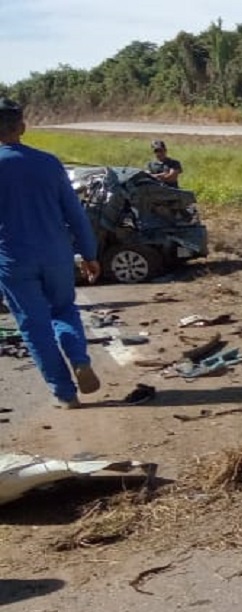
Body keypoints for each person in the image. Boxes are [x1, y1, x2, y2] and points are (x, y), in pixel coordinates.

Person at [0, 97, 103, 408]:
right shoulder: (49, 163)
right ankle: (79, 358)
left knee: (33, 326)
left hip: (13, 260)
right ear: (22, 127)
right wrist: (89, 253)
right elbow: (75, 213)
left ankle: (65, 393)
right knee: (64, 310)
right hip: (56, 254)